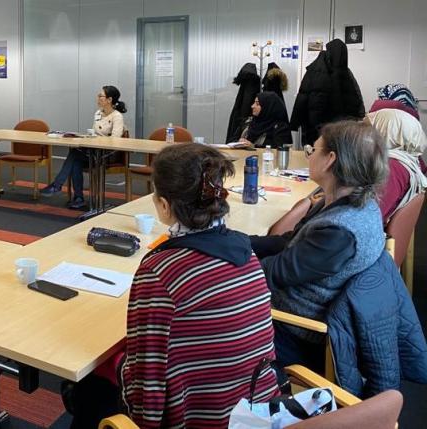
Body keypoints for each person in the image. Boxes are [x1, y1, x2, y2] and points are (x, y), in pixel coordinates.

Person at [65, 144, 278, 428]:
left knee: (85, 385)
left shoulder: (160, 272)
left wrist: (114, 366)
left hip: (198, 420)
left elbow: (145, 398)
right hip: (254, 410)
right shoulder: (244, 251)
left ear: (164, 206)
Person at [249, 121, 388, 371]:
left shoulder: (340, 231)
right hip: (298, 314)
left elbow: (275, 273)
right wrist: (236, 241)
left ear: (330, 160)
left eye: (313, 149)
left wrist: (218, 271)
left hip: (296, 332)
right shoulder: (353, 205)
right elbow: (289, 242)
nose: (309, 155)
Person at [40, 85, 126, 209]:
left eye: (100, 96)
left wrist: (98, 140)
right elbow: (95, 133)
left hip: (108, 154)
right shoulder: (98, 113)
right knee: (76, 160)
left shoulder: (117, 116)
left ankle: (58, 186)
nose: (98, 98)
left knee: (75, 155)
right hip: (94, 151)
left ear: (109, 100)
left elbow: (115, 140)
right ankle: (78, 198)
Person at [290, 39, 365, 146]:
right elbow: (355, 96)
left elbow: (302, 96)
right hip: (330, 126)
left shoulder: (315, 70)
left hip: (319, 125)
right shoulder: (344, 73)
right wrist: (360, 116)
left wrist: (295, 122)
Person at [367, 109, 427, 221]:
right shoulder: (405, 160)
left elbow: (367, 217)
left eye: (368, 128)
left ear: (387, 132)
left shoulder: (392, 168)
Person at [226, 62, 261, 142]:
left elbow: (245, 103)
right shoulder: (254, 82)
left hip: (243, 117)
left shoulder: (246, 83)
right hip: (246, 117)